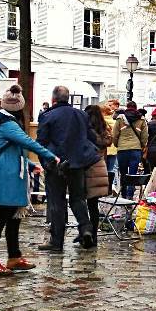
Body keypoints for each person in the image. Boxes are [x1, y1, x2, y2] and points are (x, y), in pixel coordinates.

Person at [0, 85, 59, 275]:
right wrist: (50, 156)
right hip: (3, 180)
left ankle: (14, 256)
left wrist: (31, 165)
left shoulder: (0, 121)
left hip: (8, 176)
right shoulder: (8, 124)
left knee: (14, 219)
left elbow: (13, 151)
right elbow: (28, 142)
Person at [37, 85, 98, 252]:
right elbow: (91, 137)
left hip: (56, 164)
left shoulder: (47, 116)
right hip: (77, 164)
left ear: (53, 99)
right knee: (78, 198)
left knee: (57, 202)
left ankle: (56, 241)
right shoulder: (81, 115)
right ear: (68, 98)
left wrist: (45, 164)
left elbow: (41, 143)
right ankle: (85, 228)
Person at [83, 104, 111, 245]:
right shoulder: (104, 130)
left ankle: (85, 232)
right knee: (93, 205)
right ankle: (93, 236)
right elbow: (108, 142)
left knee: (80, 203)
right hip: (100, 168)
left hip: (85, 168)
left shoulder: (85, 131)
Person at [110, 101, 148, 198]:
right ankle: (130, 196)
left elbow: (114, 135)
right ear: (136, 107)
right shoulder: (141, 119)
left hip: (122, 150)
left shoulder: (120, 118)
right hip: (135, 150)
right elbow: (144, 136)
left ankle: (123, 195)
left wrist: (117, 144)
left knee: (123, 173)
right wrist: (142, 146)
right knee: (133, 174)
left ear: (127, 107)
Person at [101, 97, 121, 192]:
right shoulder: (115, 122)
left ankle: (103, 187)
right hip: (113, 148)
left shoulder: (100, 122)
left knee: (102, 169)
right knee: (111, 168)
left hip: (103, 149)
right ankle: (110, 187)